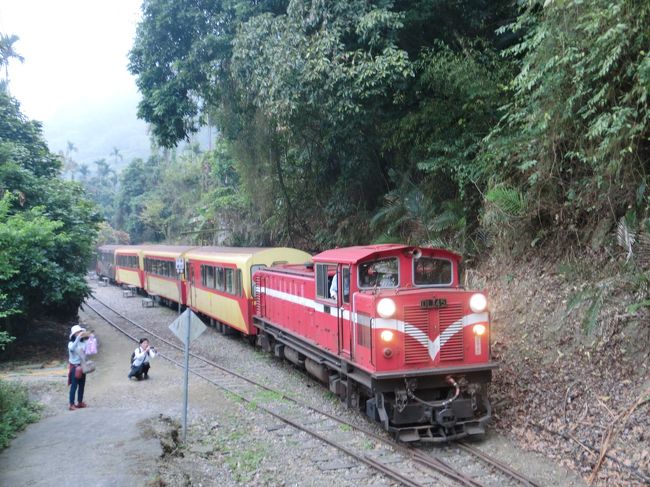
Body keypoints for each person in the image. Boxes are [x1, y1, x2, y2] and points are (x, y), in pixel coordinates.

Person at [68, 324, 90, 410]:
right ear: (73, 335)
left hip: (82, 366)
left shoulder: (83, 343)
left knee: (82, 385)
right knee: (74, 386)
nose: (79, 334)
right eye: (77, 333)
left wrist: (89, 338)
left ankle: (80, 402)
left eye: (80, 332)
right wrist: (78, 338)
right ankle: (71, 404)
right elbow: (72, 349)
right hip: (75, 367)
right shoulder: (70, 343)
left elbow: (89, 351)